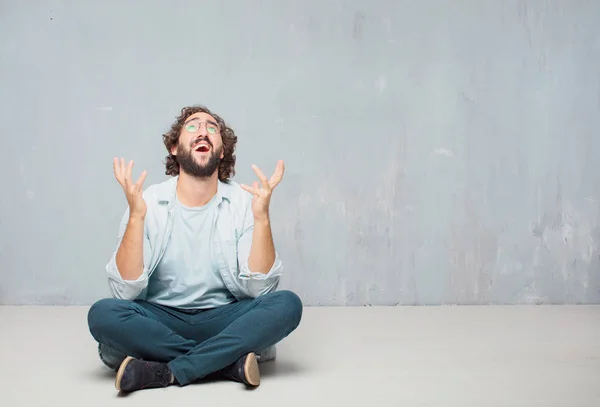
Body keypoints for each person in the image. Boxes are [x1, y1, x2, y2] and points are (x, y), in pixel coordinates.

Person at [87, 105, 303, 393]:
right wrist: (137, 217)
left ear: (221, 151)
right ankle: (225, 363)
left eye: (212, 128)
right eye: (193, 126)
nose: (203, 131)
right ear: (175, 148)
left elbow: (259, 291)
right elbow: (125, 293)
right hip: (161, 321)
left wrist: (262, 217)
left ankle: (167, 371)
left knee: (287, 304)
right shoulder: (147, 201)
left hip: (224, 318)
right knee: (103, 314)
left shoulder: (243, 202)